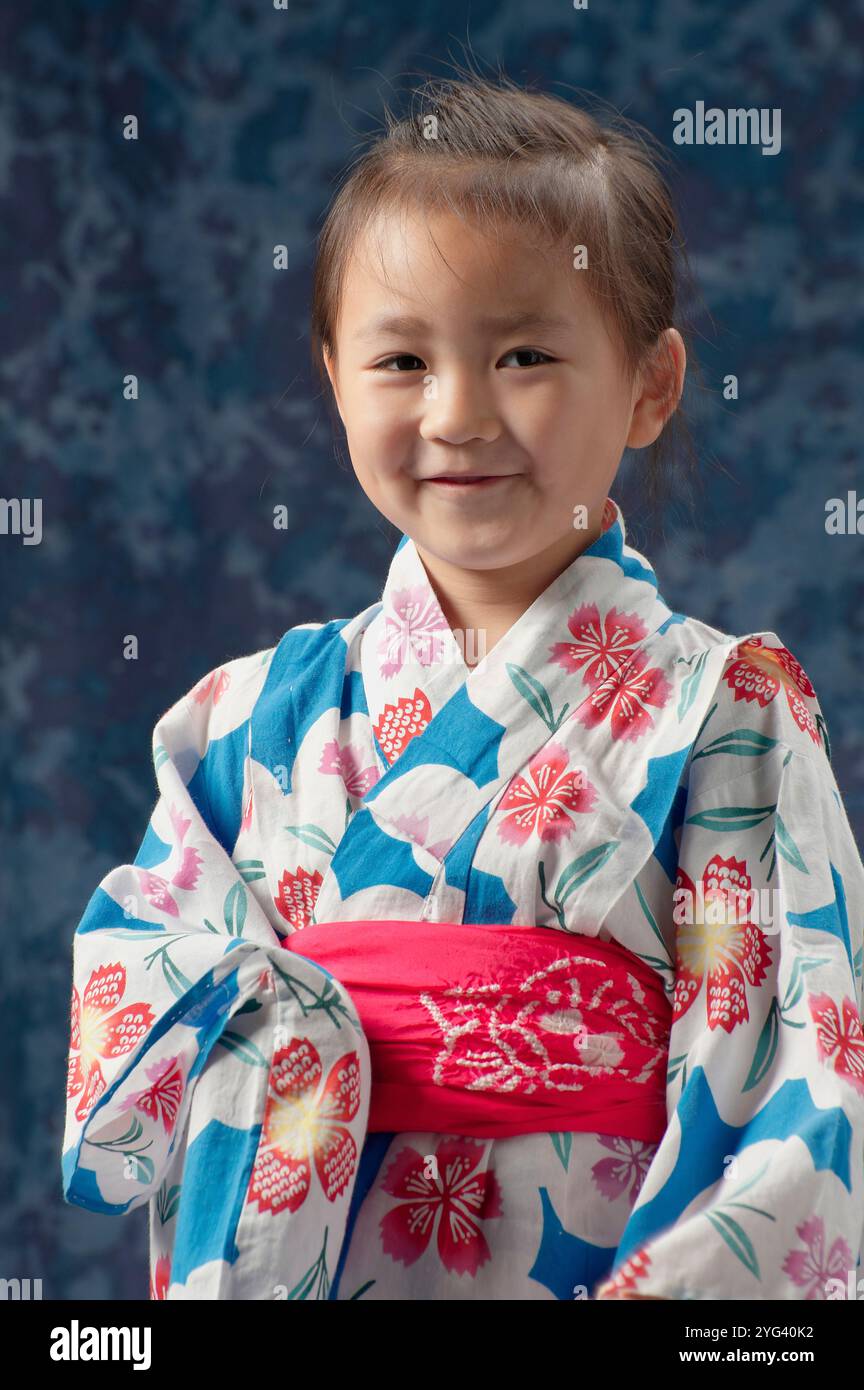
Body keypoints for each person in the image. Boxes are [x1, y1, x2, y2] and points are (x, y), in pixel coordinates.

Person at [61, 72, 864, 1302]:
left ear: (651, 383)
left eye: (526, 353)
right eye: (400, 359)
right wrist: (292, 1033)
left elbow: (795, 1076)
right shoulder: (241, 717)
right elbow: (138, 988)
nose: (458, 413)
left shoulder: (726, 711)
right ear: (335, 379)